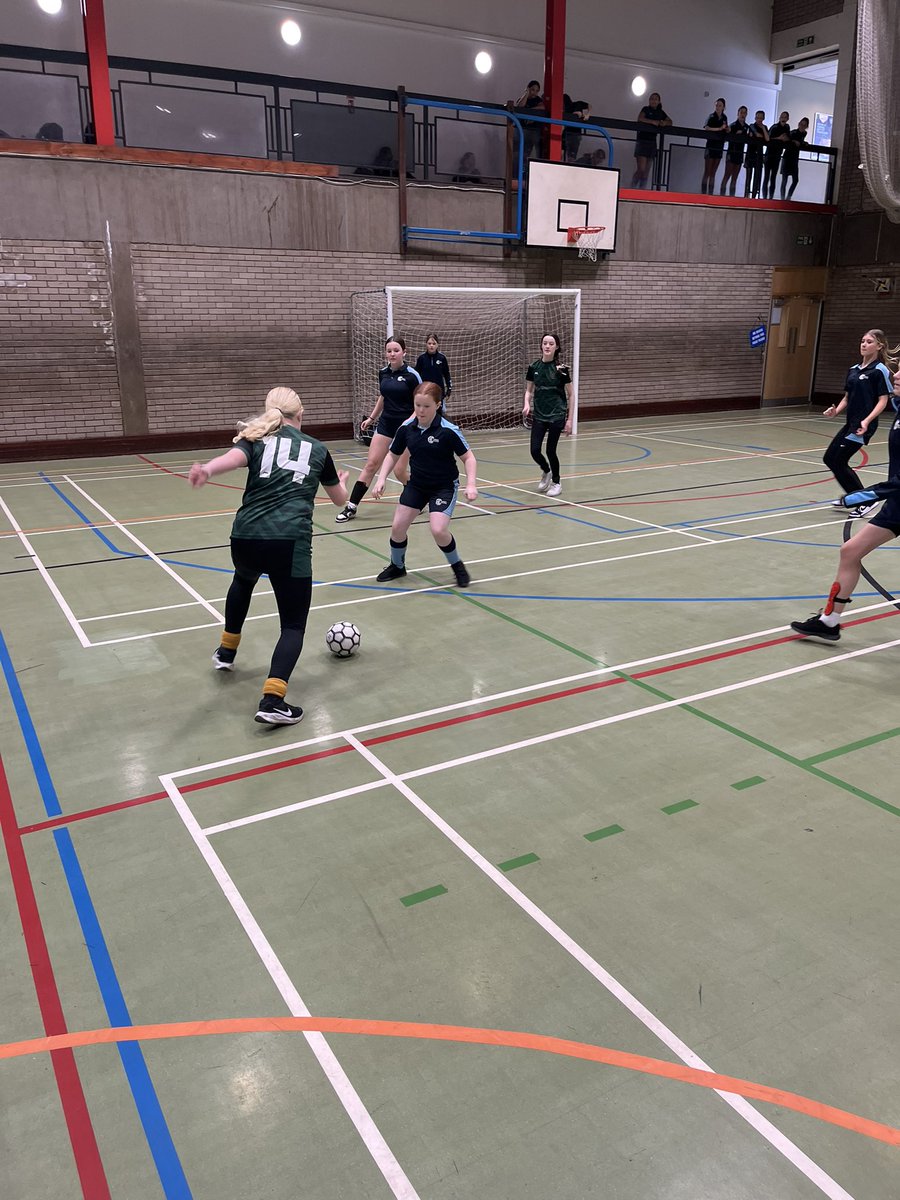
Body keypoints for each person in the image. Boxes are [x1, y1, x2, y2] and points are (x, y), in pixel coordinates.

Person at [188, 387, 350, 725]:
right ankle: (273, 700)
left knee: (243, 581)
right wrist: (341, 482)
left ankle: (226, 650)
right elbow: (339, 500)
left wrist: (206, 470)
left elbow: (231, 460)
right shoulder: (318, 450)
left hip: (244, 535)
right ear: (301, 415)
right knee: (292, 625)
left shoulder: (255, 438)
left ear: (268, 413)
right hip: (288, 542)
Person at [791, 362, 900, 643]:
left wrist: (860, 495)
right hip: (898, 505)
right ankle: (829, 621)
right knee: (850, 552)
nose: (896, 375)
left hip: (895, 496)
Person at [371, 382, 477, 588]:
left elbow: (469, 458)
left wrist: (471, 484)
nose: (420, 410)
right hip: (417, 485)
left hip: (443, 487)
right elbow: (392, 454)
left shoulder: (448, 430)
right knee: (397, 528)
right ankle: (397, 566)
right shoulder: (406, 428)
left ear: (438, 405)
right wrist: (381, 478)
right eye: (417, 405)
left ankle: (457, 566)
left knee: (438, 530)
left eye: (426, 406)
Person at [336, 336, 422, 523]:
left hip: (406, 428)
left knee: (399, 471)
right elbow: (383, 397)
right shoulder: (383, 373)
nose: (392, 354)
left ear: (404, 352)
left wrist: (408, 424)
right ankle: (351, 506)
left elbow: (420, 404)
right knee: (371, 464)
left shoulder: (412, 376)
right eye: (389, 350)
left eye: (396, 350)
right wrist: (372, 418)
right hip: (385, 424)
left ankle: (419, 495)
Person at [821, 329, 896, 513]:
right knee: (829, 459)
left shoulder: (879, 370)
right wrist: (835, 411)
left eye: (869, 342)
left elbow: (883, 400)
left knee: (838, 460)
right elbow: (847, 397)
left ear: (879, 346)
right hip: (850, 424)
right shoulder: (853, 370)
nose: (864, 344)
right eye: (862, 341)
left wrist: (867, 420)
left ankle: (865, 500)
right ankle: (853, 497)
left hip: (863, 426)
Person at [522, 332, 573, 497]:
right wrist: (526, 404)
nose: (547, 346)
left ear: (556, 347)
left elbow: (571, 395)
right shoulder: (534, 367)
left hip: (557, 414)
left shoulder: (562, 370)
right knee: (534, 450)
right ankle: (546, 470)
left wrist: (570, 419)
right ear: (541, 346)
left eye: (551, 343)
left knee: (551, 450)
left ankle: (557, 482)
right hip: (539, 414)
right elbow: (529, 390)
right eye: (545, 343)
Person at [631, 92, 671, 188]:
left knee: (646, 172)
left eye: (655, 99)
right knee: (641, 169)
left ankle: (641, 190)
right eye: (652, 99)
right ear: (649, 101)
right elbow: (640, 118)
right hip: (642, 141)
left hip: (652, 143)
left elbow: (670, 121)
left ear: (659, 101)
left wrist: (663, 123)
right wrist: (652, 122)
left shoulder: (661, 112)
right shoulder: (645, 109)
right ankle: (632, 187)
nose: (653, 101)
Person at [700, 99, 728, 194]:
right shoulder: (711, 116)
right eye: (716, 105)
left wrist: (726, 129)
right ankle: (703, 194)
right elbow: (706, 127)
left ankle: (710, 194)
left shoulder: (724, 118)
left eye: (720, 105)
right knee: (707, 172)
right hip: (711, 146)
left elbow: (725, 129)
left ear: (723, 107)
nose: (718, 107)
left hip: (719, 147)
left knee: (713, 173)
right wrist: (719, 129)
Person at [720, 105, 749, 196]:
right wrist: (734, 134)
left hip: (740, 154)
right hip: (731, 153)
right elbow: (726, 136)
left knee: (735, 178)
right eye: (741, 112)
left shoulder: (747, 127)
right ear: (738, 113)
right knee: (727, 175)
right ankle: (722, 197)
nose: (743, 114)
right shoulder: (732, 125)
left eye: (744, 112)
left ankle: (732, 198)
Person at [415, 334, 453, 402]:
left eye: (434, 343)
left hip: (439, 393)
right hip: (425, 393)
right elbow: (416, 375)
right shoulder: (421, 358)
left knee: (441, 411)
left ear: (437, 345)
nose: (431, 345)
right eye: (429, 343)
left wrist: (449, 389)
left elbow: (447, 375)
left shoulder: (442, 358)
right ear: (426, 344)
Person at [780, 117, 809, 200]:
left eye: (804, 125)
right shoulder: (793, 132)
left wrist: (803, 143)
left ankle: (788, 197)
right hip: (788, 157)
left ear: (806, 126)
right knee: (784, 180)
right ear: (799, 124)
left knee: (795, 180)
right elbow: (786, 138)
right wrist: (793, 141)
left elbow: (800, 141)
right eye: (801, 124)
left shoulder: (804, 133)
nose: (802, 126)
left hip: (795, 158)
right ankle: (783, 199)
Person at [515, 79, 545, 159]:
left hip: (532, 130)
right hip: (522, 129)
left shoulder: (538, 100)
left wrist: (531, 109)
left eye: (537, 91)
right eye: (532, 90)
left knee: (527, 152)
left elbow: (543, 107)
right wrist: (526, 93)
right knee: (519, 152)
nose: (534, 93)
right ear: (528, 88)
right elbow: (520, 106)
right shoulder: (523, 98)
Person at [763, 111, 791, 198]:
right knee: (766, 177)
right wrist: (779, 138)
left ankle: (771, 197)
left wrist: (786, 139)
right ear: (779, 118)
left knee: (773, 177)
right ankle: (764, 197)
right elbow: (767, 138)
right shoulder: (774, 127)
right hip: (769, 155)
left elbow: (788, 138)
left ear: (787, 119)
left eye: (785, 117)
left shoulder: (787, 127)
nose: (783, 119)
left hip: (777, 155)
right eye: (782, 117)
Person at [743, 111, 768, 198]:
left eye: (761, 118)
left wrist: (763, 129)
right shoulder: (752, 126)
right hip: (751, 153)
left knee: (757, 176)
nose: (759, 119)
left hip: (759, 154)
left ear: (763, 118)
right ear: (755, 118)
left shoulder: (764, 127)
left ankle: (754, 195)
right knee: (749, 176)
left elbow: (767, 139)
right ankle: (746, 195)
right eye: (758, 117)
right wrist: (757, 135)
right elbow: (756, 134)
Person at [563, 98, 590, 163]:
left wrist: (587, 114)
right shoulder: (565, 110)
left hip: (575, 134)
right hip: (567, 133)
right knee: (564, 153)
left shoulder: (578, 104)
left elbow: (589, 105)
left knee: (571, 156)